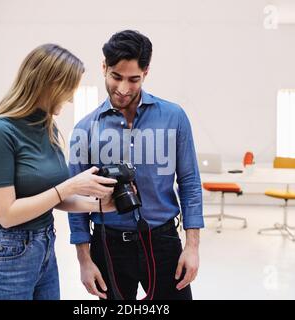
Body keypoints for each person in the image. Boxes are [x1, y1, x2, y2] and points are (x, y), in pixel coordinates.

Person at [0, 43, 117, 300]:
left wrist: (100, 205)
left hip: (44, 246)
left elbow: (51, 198)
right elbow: (6, 214)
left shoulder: (47, 127)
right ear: (49, 85)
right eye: (68, 90)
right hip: (7, 251)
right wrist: (70, 186)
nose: (71, 98)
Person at [68, 30, 204, 300]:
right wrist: (84, 260)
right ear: (103, 67)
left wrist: (192, 246)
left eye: (134, 79)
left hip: (163, 241)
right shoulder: (85, 129)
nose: (123, 88)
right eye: (116, 77)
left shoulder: (174, 117)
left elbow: (189, 183)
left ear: (146, 72)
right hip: (108, 245)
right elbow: (76, 200)